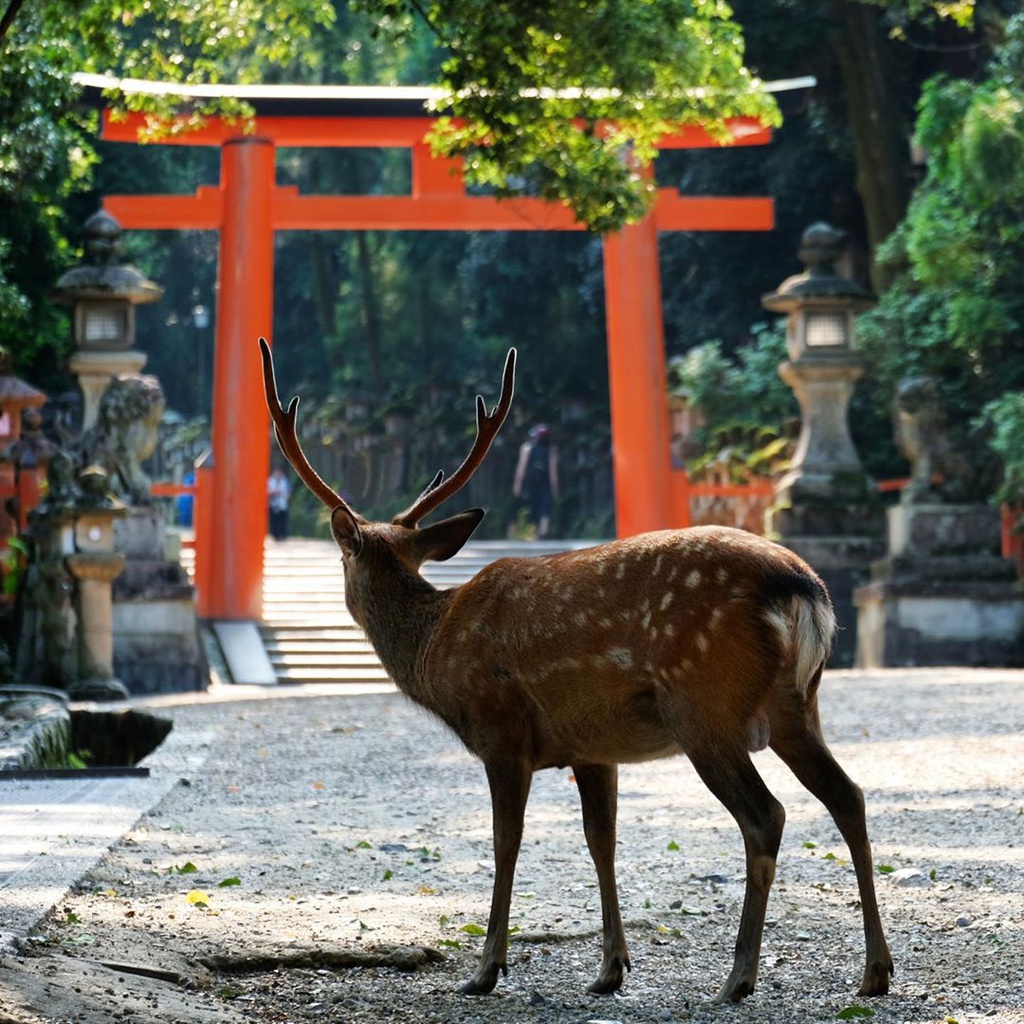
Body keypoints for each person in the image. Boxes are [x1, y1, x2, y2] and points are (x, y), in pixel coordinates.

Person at [512, 423, 559, 539]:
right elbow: (553, 471)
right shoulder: (550, 450)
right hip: (545, 482)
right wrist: (555, 487)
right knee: (545, 506)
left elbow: (521, 467)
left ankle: (536, 532)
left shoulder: (527, 448)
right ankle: (543, 531)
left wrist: (517, 484)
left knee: (534, 505)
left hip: (531, 482)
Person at [267, 465, 292, 541]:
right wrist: (273, 493)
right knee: (274, 522)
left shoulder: (285, 481)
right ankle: (275, 535)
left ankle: (282, 535)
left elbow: (288, 492)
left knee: (282, 521)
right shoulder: (270, 481)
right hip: (273, 504)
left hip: (282, 504)